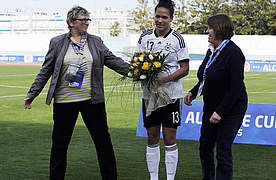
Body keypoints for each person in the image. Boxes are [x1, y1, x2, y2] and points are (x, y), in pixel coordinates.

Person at [23, 6, 129, 180]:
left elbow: (113, 61)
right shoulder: (57, 42)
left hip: (92, 100)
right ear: (71, 22)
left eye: (88, 20)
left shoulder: (95, 41)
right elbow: (46, 70)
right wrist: (32, 94)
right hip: (65, 102)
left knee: (103, 143)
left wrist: (137, 72)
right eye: (83, 19)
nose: (87, 23)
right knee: (59, 146)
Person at [184, 14, 248, 180]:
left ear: (219, 29)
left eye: (210, 28)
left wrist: (220, 111)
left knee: (223, 151)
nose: (207, 31)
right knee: (205, 147)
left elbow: (236, 88)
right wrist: (193, 91)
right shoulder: (211, 51)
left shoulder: (234, 53)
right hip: (210, 108)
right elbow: (206, 78)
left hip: (230, 110)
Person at [136, 0, 189, 179]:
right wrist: (140, 72)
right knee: (151, 137)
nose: (160, 20)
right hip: (149, 96)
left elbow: (185, 68)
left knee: (169, 138)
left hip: (171, 96)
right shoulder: (144, 37)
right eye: (157, 16)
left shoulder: (178, 39)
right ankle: (153, 177)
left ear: (171, 18)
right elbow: (138, 62)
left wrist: (164, 80)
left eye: (164, 17)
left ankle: (170, 178)